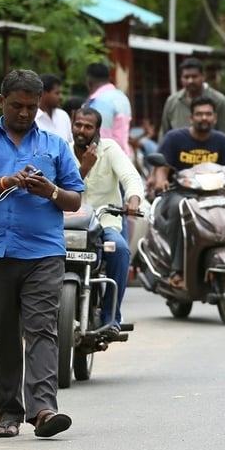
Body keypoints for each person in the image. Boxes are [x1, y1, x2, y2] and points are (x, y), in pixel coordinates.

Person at [0, 69, 85, 439]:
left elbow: (75, 197)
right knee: (3, 335)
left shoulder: (55, 145)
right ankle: (9, 415)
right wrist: (5, 182)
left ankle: (44, 410)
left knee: (42, 330)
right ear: (2, 102)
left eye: (31, 107)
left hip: (44, 253)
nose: (25, 113)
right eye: (17, 106)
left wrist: (49, 190)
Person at [70, 106, 145, 332]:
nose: (82, 130)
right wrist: (84, 168)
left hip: (105, 222)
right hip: (71, 225)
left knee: (120, 251)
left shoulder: (110, 148)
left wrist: (133, 200)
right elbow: (60, 187)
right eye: (78, 125)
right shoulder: (62, 149)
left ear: (97, 130)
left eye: (88, 127)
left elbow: (130, 176)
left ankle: (111, 317)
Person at [150, 96, 225, 288]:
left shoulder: (221, 140)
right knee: (182, 208)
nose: (203, 118)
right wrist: (161, 180)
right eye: (199, 114)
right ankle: (177, 270)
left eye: (208, 114)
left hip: (213, 195)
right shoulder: (174, 138)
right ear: (191, 118)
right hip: (179, 193)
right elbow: (162, 167)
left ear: (215, 118)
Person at [160, 58, 225, 150]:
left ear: (203, 77)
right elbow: (164, 134)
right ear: (181, 78)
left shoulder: (219, 101)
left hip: (210, 158)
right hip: (178, 160)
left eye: (194, 76)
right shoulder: (172, 101)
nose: (190, 81)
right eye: (186, 77)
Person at [84, 62, 132, 157]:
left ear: (89, 82)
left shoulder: (98, 101)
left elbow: (101, 137)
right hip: (124, 157)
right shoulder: (122, 97)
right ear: (109, 79)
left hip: (106, 159)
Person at [34, 74, 72, 140]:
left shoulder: (63, 116)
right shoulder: (33, 119)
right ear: (43, 93)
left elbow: (70, 143)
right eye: (57, 93)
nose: (61, 97)